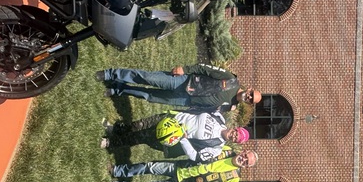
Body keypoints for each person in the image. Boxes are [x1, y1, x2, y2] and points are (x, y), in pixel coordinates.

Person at [100, 110, 250, 163]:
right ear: (235, 128)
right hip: (171, 118)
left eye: (236, 139)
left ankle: (110, 143)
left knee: (141, 137)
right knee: (140, 124)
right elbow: (198, 109)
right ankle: (116, 130)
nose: (234, 136)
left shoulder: (216, 148)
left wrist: (184, 139)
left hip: (171, 137)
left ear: (235, 142)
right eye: (236, 133)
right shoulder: (219, 117)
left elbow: (196, 157)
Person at [96, 64, 262, 110]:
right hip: (184, 81)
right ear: (249, 89)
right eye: (251, 94)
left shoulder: (230, 106)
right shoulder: (231, 80)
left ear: (249, 103)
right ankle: (111, 74)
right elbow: (206, 69)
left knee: (148, 96)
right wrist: (186, 69)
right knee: (148, 78)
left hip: (183, 100)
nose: (248, 97)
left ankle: (118, 89)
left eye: (251, 100)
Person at [105, 150, 258, 182]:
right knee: (149, 166)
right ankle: (117, 170)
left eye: (246, 162)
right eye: (245, 156)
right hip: (180, 167)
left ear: (246, 167)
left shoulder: (234, 180)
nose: (243, 159)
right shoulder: (226, 150)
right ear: (243, 151)